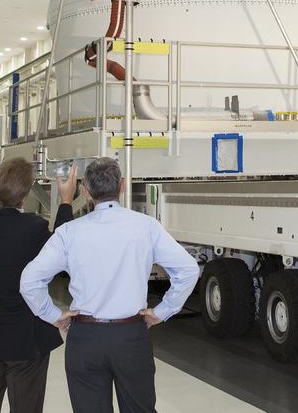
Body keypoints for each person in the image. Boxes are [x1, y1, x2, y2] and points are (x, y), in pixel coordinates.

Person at [20, 157, 198, 413]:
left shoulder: (69, 232)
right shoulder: (146, 227)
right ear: (123, 186)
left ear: (86, 191)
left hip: (85, 337)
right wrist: (162, 312)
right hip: (131, 335)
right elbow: (188, 270)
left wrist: (54, 316)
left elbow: (29, 281)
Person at [0, 159, 76, 413]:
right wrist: (65, 202)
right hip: (24, 339)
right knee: (26, 406)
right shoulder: (33, 228)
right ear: (24, 195)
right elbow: (62, 250)